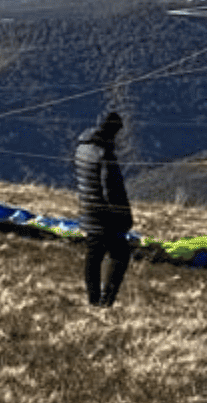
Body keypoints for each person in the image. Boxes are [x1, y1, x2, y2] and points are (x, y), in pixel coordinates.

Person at [74, 111, 134, 308]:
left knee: (93, 255)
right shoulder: (104, 154)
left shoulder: (82, 148)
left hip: (87, 208)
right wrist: (124, 216)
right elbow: (111, 191)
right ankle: (106, 301)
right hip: (104, 214)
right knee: (120, 254)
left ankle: (93, 299)